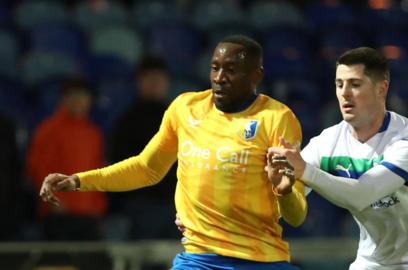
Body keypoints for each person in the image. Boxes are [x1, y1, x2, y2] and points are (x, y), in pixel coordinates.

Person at [39, 35, 307, 269]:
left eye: (232, 70)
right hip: (199, 259)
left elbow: (296, 216)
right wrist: (78, 181)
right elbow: (147, 168)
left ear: (256, 76)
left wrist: (284, 192)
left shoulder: (277, 119)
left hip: (260, 260)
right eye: (215, 68)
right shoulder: (185, 109)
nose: (220, 78)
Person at [267, 47, 408, 269]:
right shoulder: (328, 141)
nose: (345, 93)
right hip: (374, 262)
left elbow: (362, 194)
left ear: (382, 88)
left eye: (355, 84)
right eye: (339, 85)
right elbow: (292, 202)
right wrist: (283, 190)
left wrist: (304, 171)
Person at [27, 77, 107, 240]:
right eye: (73, 96)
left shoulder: (93, 134)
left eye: (83, 96)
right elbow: (37, 168)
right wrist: (52, 202)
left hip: (87, 215)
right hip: (58, 214)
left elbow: (98, 171)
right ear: (63, 99)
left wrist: (98, 205)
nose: (78, 101)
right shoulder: (48, 130)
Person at [108, 56, 177, 239]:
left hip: (175, 203)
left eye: (159, 78)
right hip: (142, 204)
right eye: (149, 78)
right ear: (139, 82)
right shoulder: (127, 121)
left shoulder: (177, 117)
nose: (155, 83)